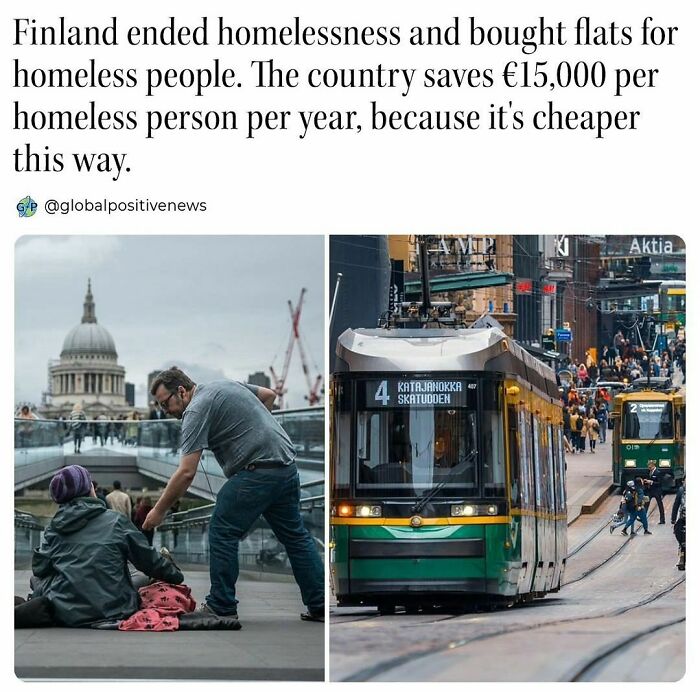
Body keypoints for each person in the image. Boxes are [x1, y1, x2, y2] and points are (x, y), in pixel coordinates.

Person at [142, 366, 324, 623]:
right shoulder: (224, 385)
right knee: (296, 538)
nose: (165, 411)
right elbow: (269, 395)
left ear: (181, 391)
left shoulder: (194, 409)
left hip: (256, 472)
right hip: (285, 467)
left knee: (222, 529)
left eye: (165, 404)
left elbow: (186, 473)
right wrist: (255, 434)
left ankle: (221, 605)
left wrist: (158, 511)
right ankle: (319, 604)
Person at [30, 465, 183, 627]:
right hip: (116, 608)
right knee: (139, 576)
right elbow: (148, 561)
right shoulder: (117, 520)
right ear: (89, 489)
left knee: (35, 580)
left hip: (66, 612)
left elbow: (40, 569)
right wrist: (176, 576)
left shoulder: (54, 528)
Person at [671, 479, 686, 570]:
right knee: (682, 541)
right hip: (683, 519)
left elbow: (676, 505)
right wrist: (673, 519)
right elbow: (676, 505)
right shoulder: (681, 490)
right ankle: (682, 558)